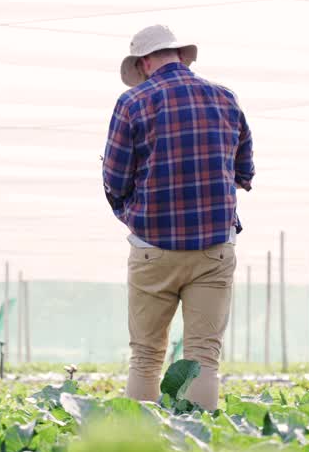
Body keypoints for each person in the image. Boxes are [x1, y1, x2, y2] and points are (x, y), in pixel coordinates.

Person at [101, 25, 255, 410]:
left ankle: (145, 450)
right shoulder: (225, 98)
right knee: (203, 356)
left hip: (153, 248)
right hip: (213, 249)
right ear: (182, 56)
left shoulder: (133, 102)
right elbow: (245, 169)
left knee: (147, 355)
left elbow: (115, 178)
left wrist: (130, 213)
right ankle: (201, 448)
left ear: (144, 63)